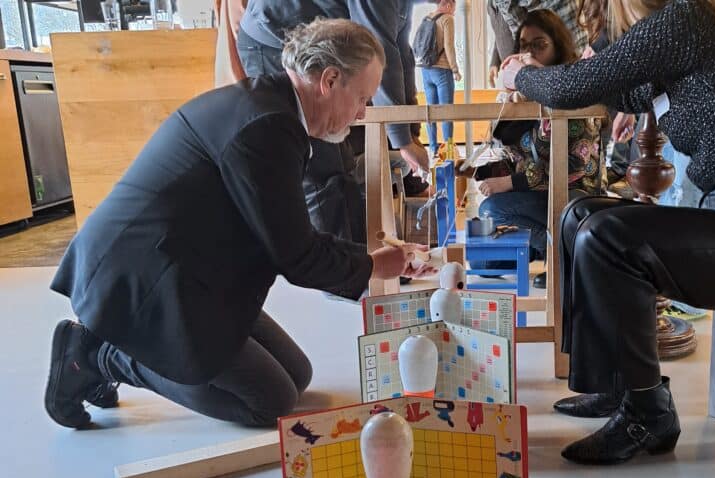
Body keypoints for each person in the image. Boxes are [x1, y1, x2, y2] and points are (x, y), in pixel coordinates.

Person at [44, 19, 433, 430]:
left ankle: (109, 348)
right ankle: (97, 356)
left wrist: (369, 260)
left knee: (297, 375)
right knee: (270, 401)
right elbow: (296, 255)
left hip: (187, 265)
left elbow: (288, 234)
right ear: (330, 80)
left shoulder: (273, 109)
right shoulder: (268, 127)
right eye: (362, 98)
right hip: (147, 278)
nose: (362, 112)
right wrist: (374, 265)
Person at [503, 0, 715, 464]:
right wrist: (594, 76)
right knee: (579, 215)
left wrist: (520, 74)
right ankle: (617, 385)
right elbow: (625, 90)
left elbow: (576, 86)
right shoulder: (703, 22)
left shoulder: (688, 18)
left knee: (607, 235)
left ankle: (648, 414)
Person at [236, 0, 430, 243]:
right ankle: (338, 259)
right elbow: (380, 49)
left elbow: (401, 55)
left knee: (345, 157)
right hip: (273, 41)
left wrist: (411, 133)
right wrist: (403, 140)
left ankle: (358, 252)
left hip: (320, 47)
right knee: (322, 164)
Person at [469, 9, 604, 289]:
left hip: (574, 195)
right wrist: (485, 170)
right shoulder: (523, 95)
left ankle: (566, 257)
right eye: (523, 46)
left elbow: (574, 165)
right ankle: (544, 247)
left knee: (491, 210)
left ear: (557, 48)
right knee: (482, 263)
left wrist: (510, 183)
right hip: (538, 198)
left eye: (539, 45)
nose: (528, 54)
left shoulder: (571, 90)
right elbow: (520, 153)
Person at [417, 0, 461, 157]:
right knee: (446, 112)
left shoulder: (427, 17)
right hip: (442, 71)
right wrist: (455, 69)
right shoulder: (447, 19)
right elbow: (449, 46)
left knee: (431, 112)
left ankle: (433, 149)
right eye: (454, 7)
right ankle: (449, 150)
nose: (454, 11)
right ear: (448, 5)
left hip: (425, 70)